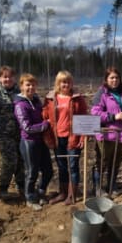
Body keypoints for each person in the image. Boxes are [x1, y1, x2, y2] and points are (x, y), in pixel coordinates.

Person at [42, 70, 87, 205]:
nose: (65, 84)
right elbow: (45, 118)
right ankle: (62, 193)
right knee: (61, 166)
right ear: (58, 83)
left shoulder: (78, 99)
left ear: (71, 83)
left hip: (73, 137)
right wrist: (47, 137)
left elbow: (85, 118)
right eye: (63, 82)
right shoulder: (50, 99)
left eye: (68, 82)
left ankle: (72, 195)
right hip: (57, 138)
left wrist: (83, 137)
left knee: (73, 166)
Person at [14, 73, 54, 211]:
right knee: (32, 172)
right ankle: (30, 197)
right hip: (29, 142)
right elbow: (27, 127)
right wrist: (46, 124)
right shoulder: (20, 105)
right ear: (22, 86)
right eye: (27, 85)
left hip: (41, 140)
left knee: (48, 171)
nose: (31, 87)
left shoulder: (36, 100)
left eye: (33, 84)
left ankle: (40, 191)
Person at [0, 65, 24, 200]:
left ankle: (21, 186)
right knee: (10, 162)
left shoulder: (20, 92)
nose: (8, 79)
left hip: (20, 133)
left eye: (10, 76)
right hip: (4, 134)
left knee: (21, 160)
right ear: (0, 78)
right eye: (5, 77)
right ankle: (3, 188)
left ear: (15, 78)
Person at [91, 67, 122, 196]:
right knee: (102, 162)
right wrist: (113, 117)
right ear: (106, 79)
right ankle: (98, 188)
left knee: (115, 163)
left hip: (120, 135)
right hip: (106, 135)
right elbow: (95, 113)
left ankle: (112, 186)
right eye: (111, 77)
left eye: (117, 77)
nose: (114, 80)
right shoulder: (101, 93)